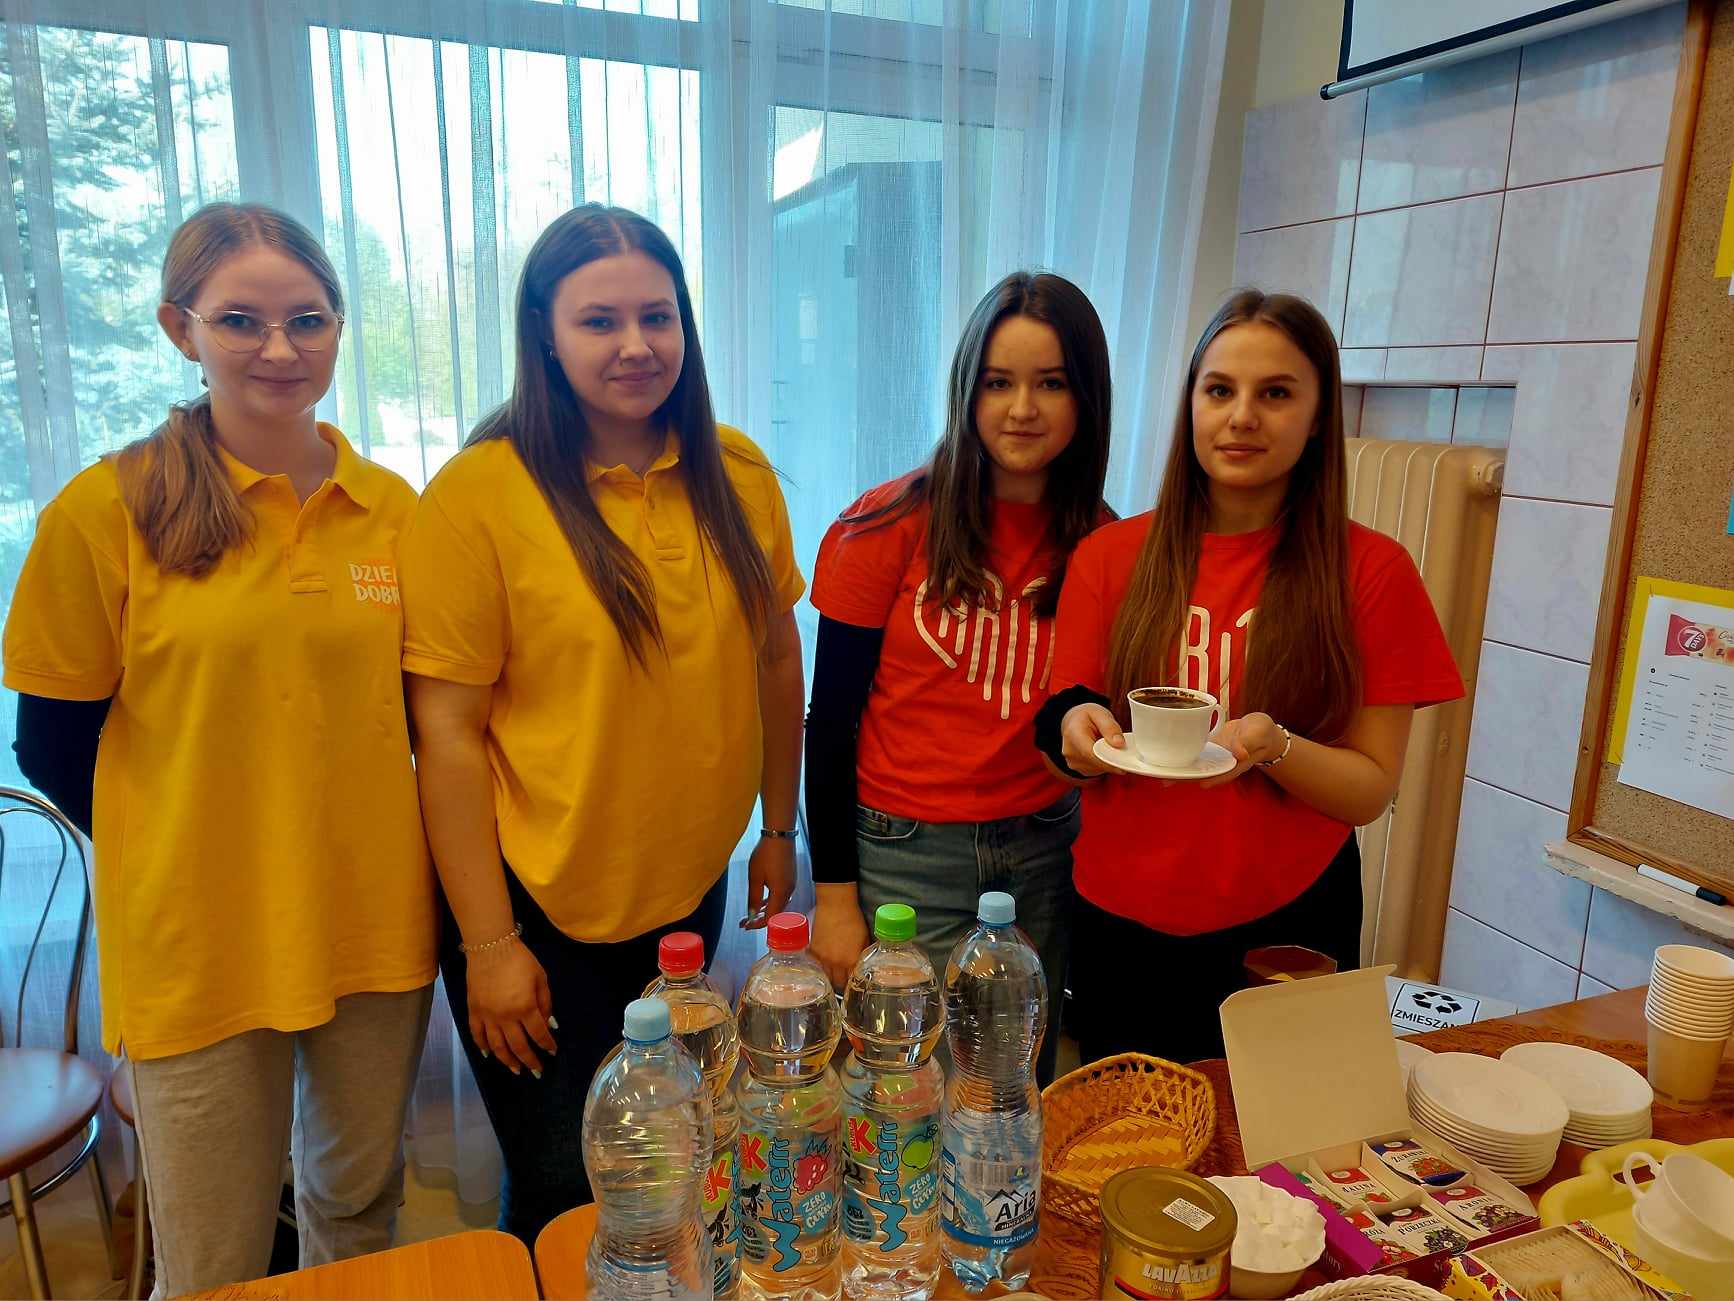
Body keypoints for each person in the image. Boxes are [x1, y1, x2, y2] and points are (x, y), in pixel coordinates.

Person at [2, 202, 435, 1295]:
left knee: (357, 1213)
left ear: (339, 330)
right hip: (199, 946)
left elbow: (420, 720)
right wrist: (187, 845)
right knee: (213, 1260)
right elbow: (49, 742)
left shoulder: (393, 510)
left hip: (373, 925)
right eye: (241, 319)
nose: (279, 348)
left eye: (308, 319)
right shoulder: (107, 510)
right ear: (179, 328)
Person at [400, 203, 806, 1241]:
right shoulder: (479, 495)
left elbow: (773, 657)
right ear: (545, 334)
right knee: (562, 1191)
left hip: (684, 887)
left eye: (657, 316)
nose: (636, 344)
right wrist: (489, 944)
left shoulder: (739, 472)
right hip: (533, 904)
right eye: (599, 320)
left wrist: (777, 825)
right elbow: (446, 736)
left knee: (662, 1154)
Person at [1037, 288, 1464, 1065]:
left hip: (1290, 926)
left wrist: (1275, 745)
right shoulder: (1109, 556)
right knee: (1131, 1134)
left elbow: (1369, 789)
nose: (1241, 417)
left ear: (1318, 416)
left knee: (1283, 1138)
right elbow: (1066, 726)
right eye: (1219, 390)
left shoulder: (1372, 571)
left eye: (1275, 394)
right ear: (1190, 405)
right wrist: (1075, 734)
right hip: (1120, 924)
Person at [805, 271, 1112, 1085]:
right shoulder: (884, 524)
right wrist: (833, 898)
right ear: (965, 390)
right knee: (912, 1093)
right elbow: (828, 723)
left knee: (1013, 1092)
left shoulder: (1106, 543)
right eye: (998, 382)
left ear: (1086, 397)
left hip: (1044, 849)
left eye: (1052, 383)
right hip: (904, 855)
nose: (1022, 409)